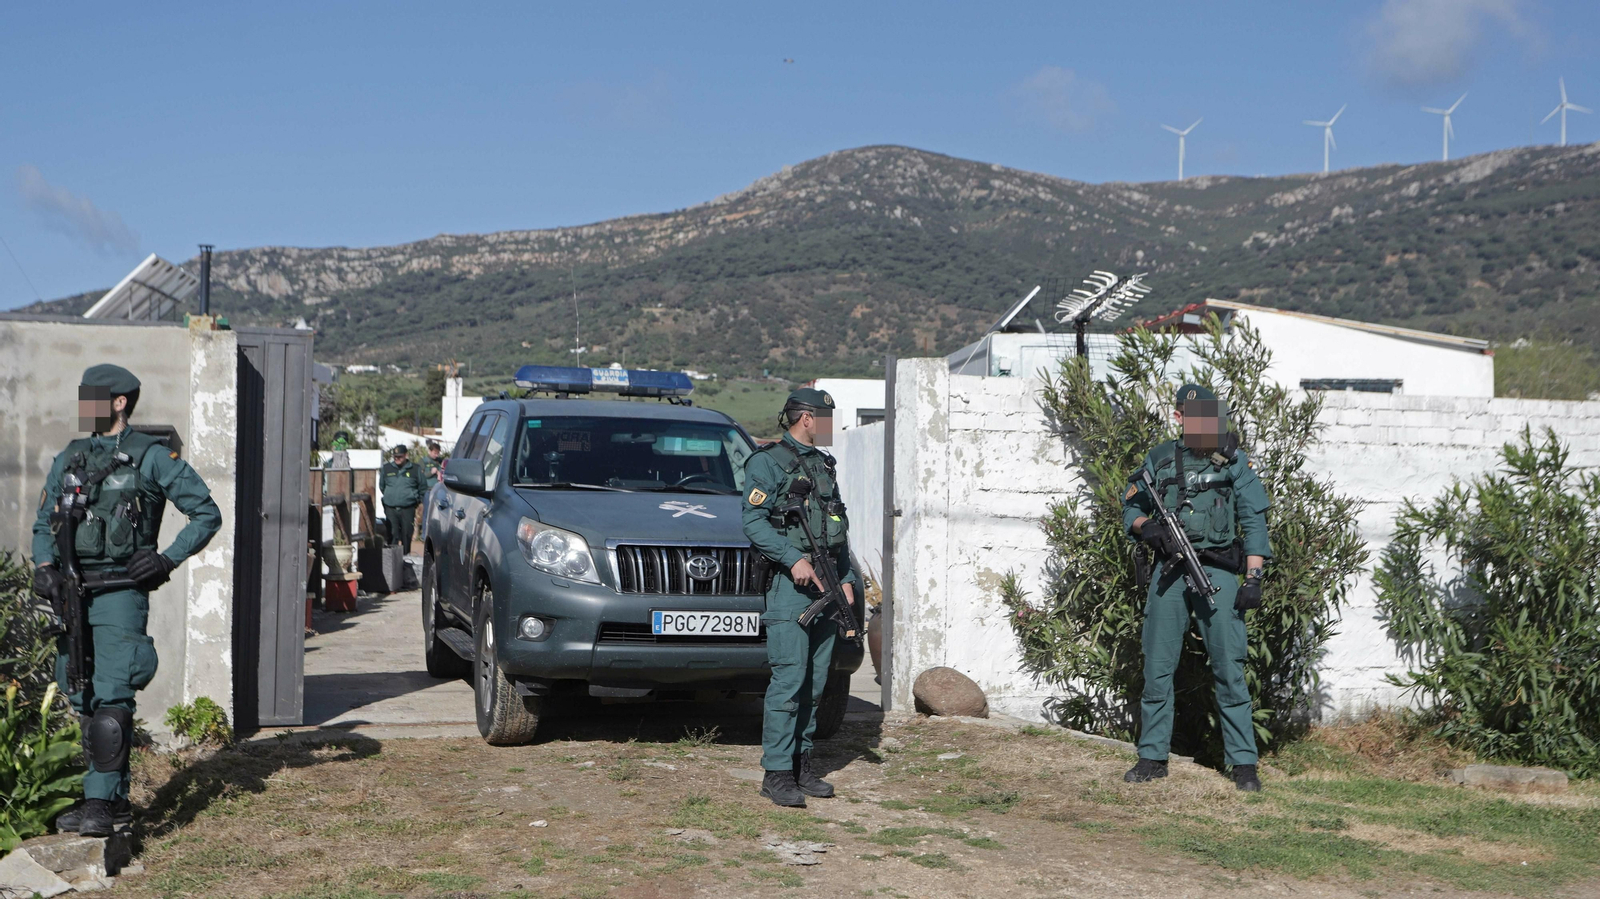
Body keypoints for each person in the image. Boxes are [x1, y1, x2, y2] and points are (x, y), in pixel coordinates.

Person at [32, 364, 222, 836]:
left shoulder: (151, 457)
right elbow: (44, 524)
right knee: (83, 696)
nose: (83, 407)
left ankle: (98, 800)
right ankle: (112, 804)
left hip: (119, 592)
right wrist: (43, 568)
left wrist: (167, 559)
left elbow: (206, 513)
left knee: (113, 698)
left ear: (119, 402)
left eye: (92, 398)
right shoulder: (69, 458)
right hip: (72, 595)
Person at [1120, 383, 1272, 792]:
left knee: (1229, 668)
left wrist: (1254, 578)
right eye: (1194, 415)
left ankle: (1243, 765)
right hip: (1169, 573)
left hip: (1218, 574)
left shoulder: (1233, 459)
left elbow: (1255, 522)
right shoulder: (1159, 457)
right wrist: (1148, 527)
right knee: (1157, 668)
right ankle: (1152, 757)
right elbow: (1131, 506)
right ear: (1179, 417)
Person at [741, 387, 862, 808]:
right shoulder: (768, 462)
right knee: (789, 682)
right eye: (826, 419)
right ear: (806, 418)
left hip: (827, 586)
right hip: (790, 590)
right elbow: (753, 522)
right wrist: (792, 558)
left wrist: (845, 576)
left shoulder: (824, 466)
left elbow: (837, 529)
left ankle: (801, 765)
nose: (830, 428)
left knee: (815, 685)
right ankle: (776, 773)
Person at [380, 444, 425, 554]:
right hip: (391, 508)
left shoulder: (415, 469)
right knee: (393, 534)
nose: (397, 459)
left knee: (407, 534)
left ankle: (405, 559)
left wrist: (418, 501)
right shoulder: (386, 468)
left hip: (408, 508)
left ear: (406, 455)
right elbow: (382, 486)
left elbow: (422, 487)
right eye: (395, 457)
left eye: (400, 456)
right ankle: (392, 560)